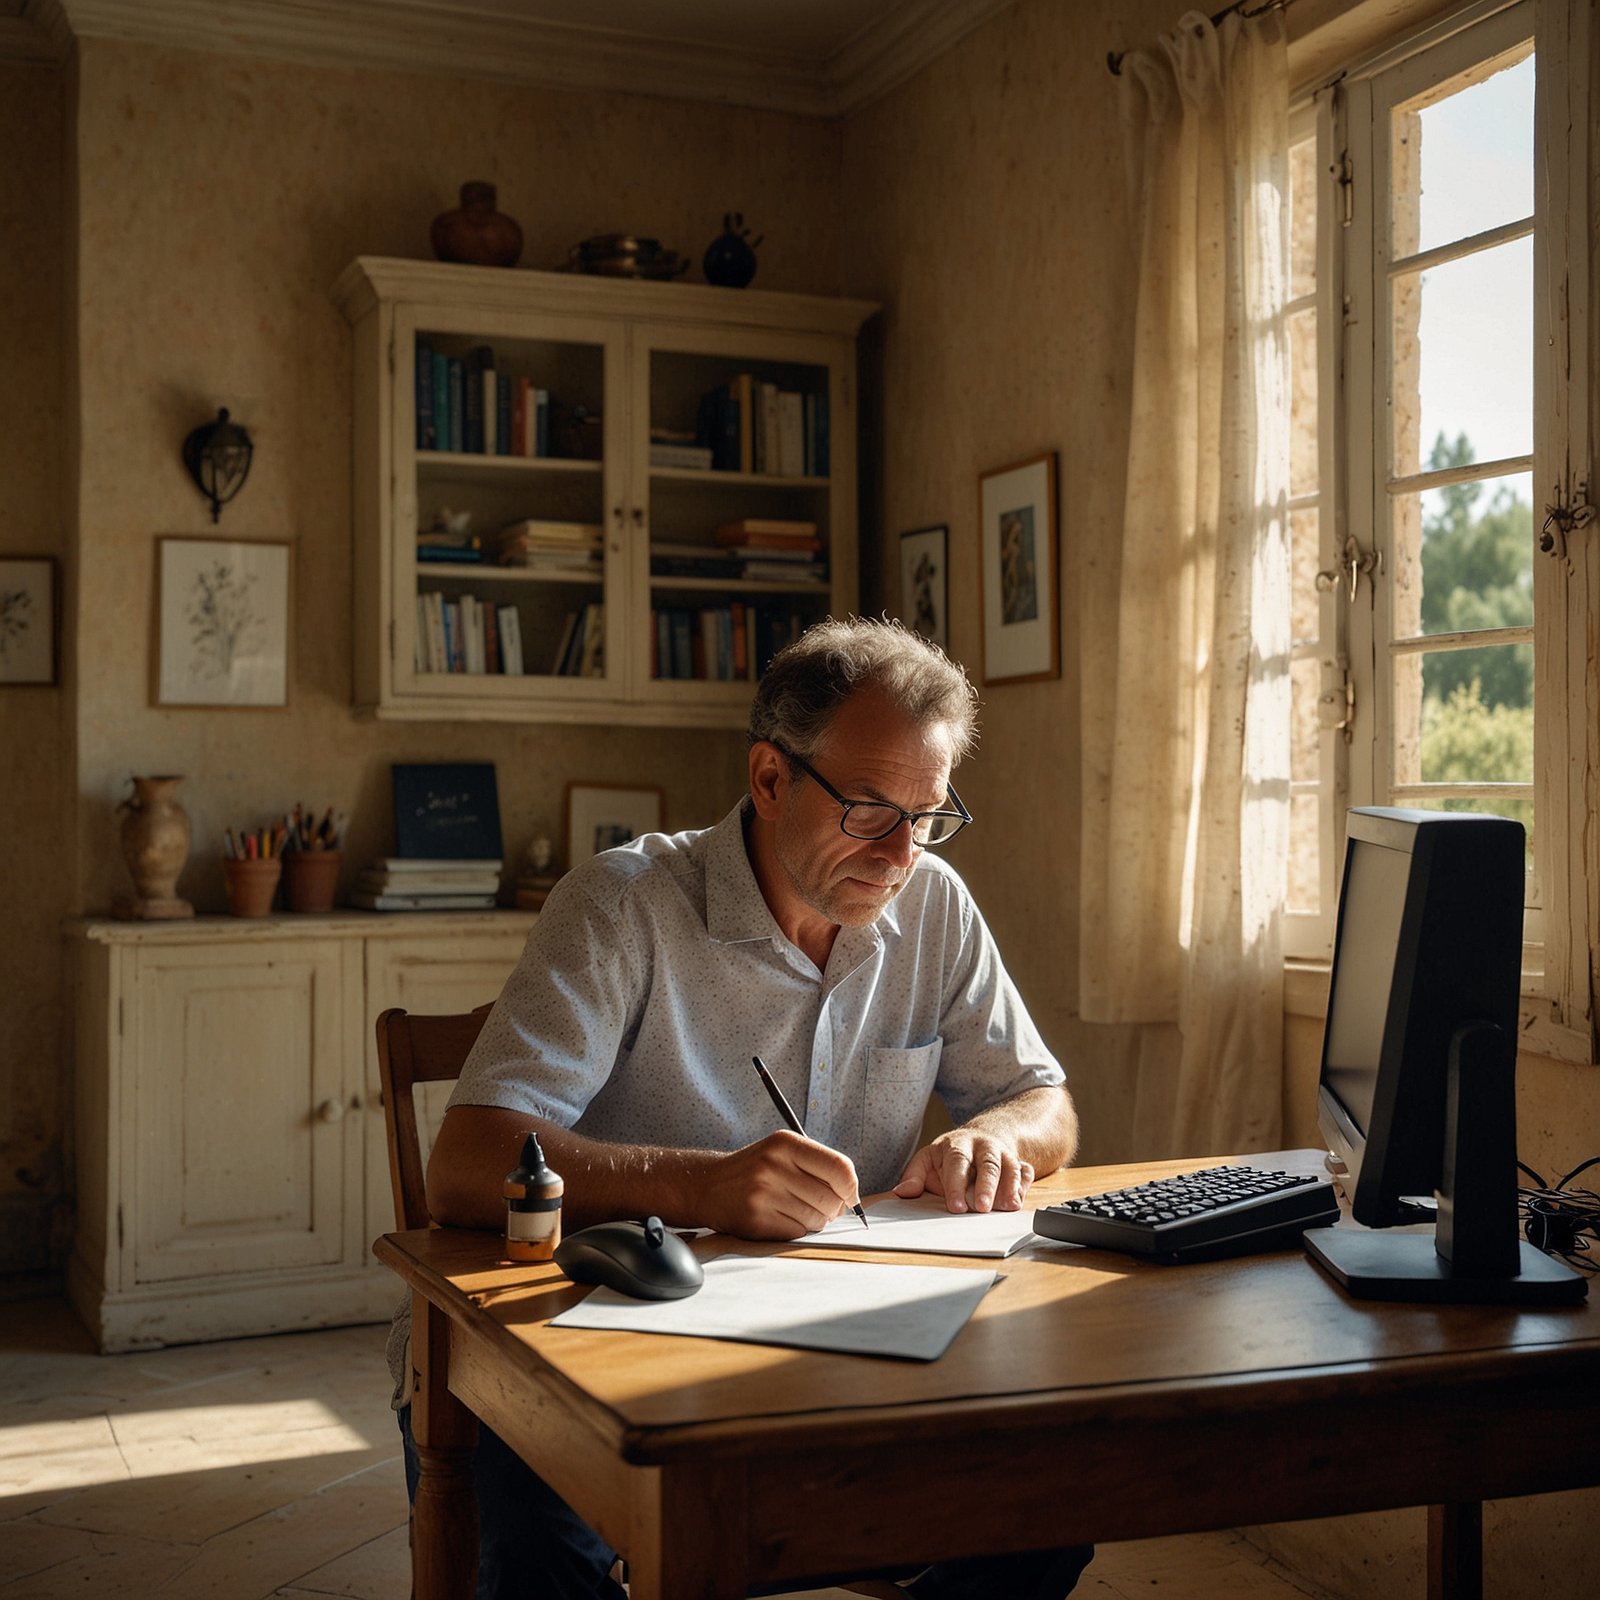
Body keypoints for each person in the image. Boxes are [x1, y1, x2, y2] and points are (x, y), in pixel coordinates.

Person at [393, 617, 1091, 1599]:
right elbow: (467, 1164)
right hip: (581, 1346)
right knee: (543, 1560)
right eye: (868, 809)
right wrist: (705, 1184)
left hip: (844, 1343)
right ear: (769, 778)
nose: (901, 853)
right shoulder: (622, 904)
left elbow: (1043, 1099)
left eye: (928, 814)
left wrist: (992, 1133)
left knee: (1055, 1494)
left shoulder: (933, 903)